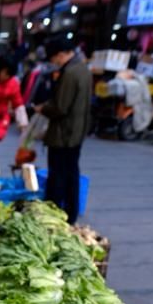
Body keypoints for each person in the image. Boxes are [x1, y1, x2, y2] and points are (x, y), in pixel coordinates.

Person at [34, 34, 92, 224]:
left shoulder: (70, 73)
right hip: (77, 132)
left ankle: (54, 215)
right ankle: (71, 213)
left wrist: (43, 108)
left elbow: (60, 107)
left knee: (58, 176)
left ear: (59, 55)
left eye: (53, 58)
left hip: (63, 134)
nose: (53, 62)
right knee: (71, 173)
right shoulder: (83, 68)